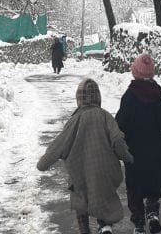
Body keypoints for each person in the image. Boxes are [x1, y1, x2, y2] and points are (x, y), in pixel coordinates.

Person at [38, 78, 133, 234]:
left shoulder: (73, 121)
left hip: (80, 174)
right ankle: (105, 226)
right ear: (98, 98)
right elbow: (117, 140)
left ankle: (84, 229)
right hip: (106, 172)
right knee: (102, 195)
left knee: (80, 197)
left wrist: (43, 163)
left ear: (78, 99)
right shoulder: (105, 116)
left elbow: (57, 147)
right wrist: (127, 157)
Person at [116, 53, 161, 234]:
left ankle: (138, 223)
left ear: (135, 72)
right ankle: (152, 211)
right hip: (157, 150)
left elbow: (120, 123)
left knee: (135, 187)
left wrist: (114, 143)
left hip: (134, 152)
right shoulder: (159, 95)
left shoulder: (130, 96)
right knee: (155, 181)